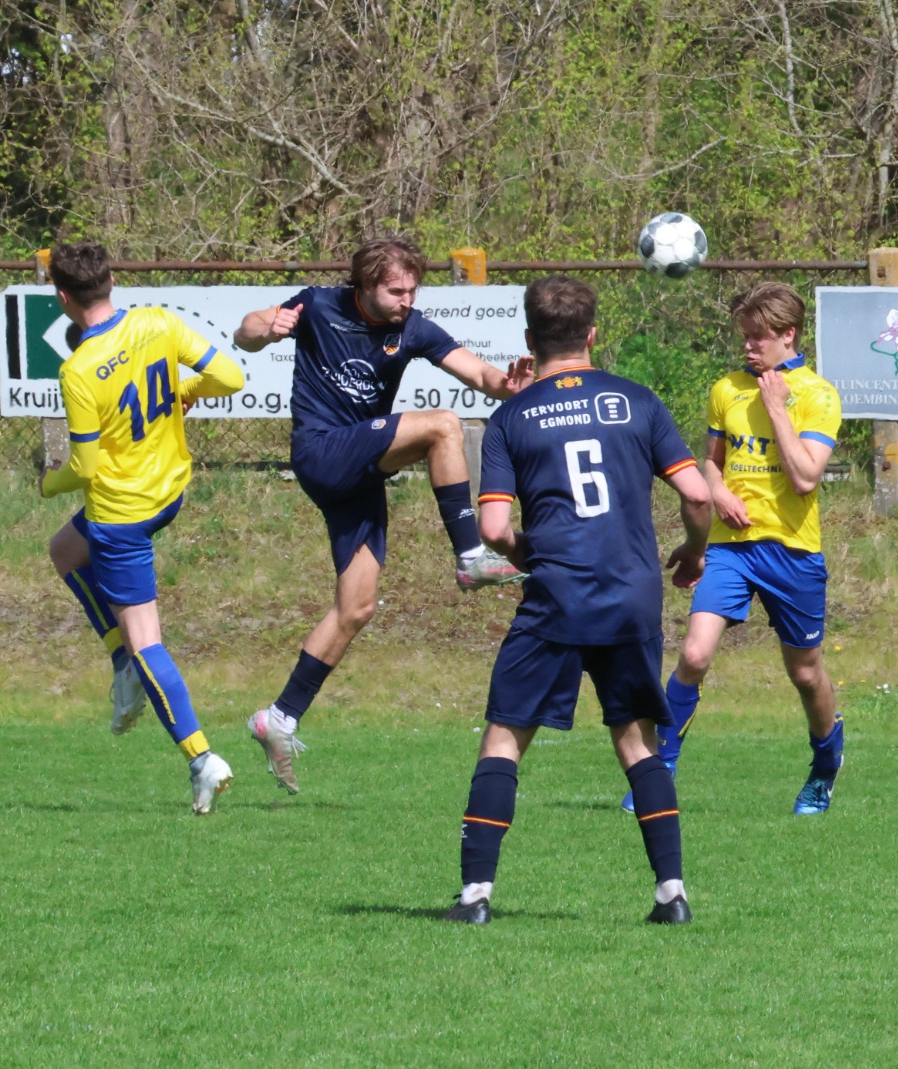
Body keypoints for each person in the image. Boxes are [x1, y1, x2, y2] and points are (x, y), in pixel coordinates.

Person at [442, 275, 713, 926]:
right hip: (631, 591)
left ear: (530, 342)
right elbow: (699, 496)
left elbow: (495, 528)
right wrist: (694, 551)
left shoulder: (512, 417)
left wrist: (526, 557)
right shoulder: (637, 402)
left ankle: (476, 895)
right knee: (636, 740)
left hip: (558, 595)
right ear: (593, 336)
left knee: (505, 735)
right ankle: (670, 892)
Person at [232, 237, 533, 795]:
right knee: (443, 425)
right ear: (365, 285)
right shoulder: (319, 305)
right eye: (396, 290)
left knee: (358, 606)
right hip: (322, 451)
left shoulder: (412, 328)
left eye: (412, 289)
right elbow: (245, 332)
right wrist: (263, 327)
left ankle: (280, 716)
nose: (405, 299)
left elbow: (478, 373)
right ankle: (471, 555)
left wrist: (507, 386)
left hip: (359, 470)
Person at [619, 281, 844, 817]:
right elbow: (711, 462)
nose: (748, 347)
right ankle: (658, 773)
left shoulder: (818, 394)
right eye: (743, 336)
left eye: (759, 337)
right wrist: (716, 491)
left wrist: (779, 410)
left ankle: (824, 765)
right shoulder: (726, 389)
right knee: (694, 655)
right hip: (732, 549)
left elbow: (807, 478)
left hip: (792, 552)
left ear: (788, 335)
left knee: (806, 673)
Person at [40, 241, 246, 815]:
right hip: (167, 493)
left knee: (147, 640)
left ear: (63, 297)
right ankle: (121, 663)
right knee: (63, 551)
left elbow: (85, 468)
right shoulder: (158, 322)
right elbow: (231, 377)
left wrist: (49, 482)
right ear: (110, 283)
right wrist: (181, 391)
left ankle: (203, 758)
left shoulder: (78, 369)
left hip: (122, 517)